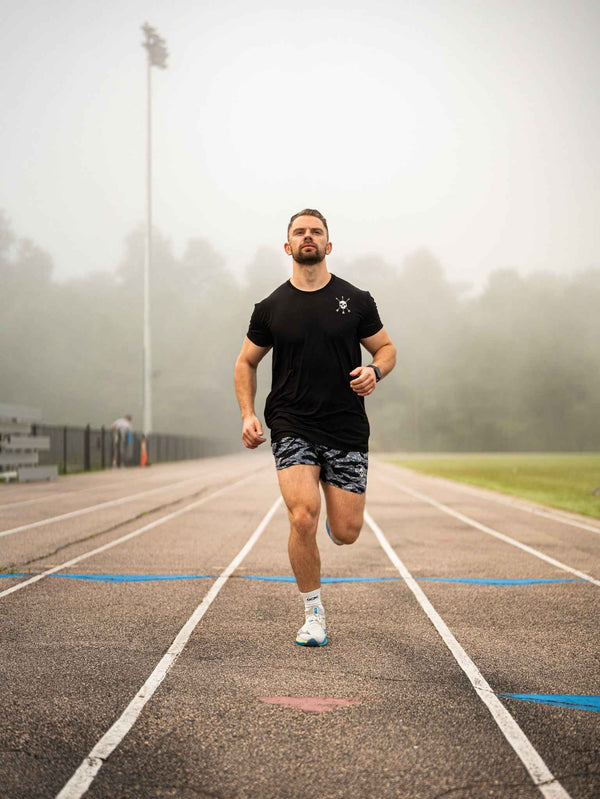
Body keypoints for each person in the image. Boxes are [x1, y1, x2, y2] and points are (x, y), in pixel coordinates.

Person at [234, 209, 396, 647]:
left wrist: (375, 372)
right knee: (303, 515)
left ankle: (335, 523)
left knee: (346, 532)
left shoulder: (356, 300)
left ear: (329, 244)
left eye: (316, 231)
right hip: (292, 423)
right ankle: (313, 614)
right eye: (300, 232)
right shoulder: (270, 308)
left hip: (345, 426)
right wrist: (248, 413)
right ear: (288, 246)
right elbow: (246, 362)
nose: (309, 237)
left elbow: (385, 348)